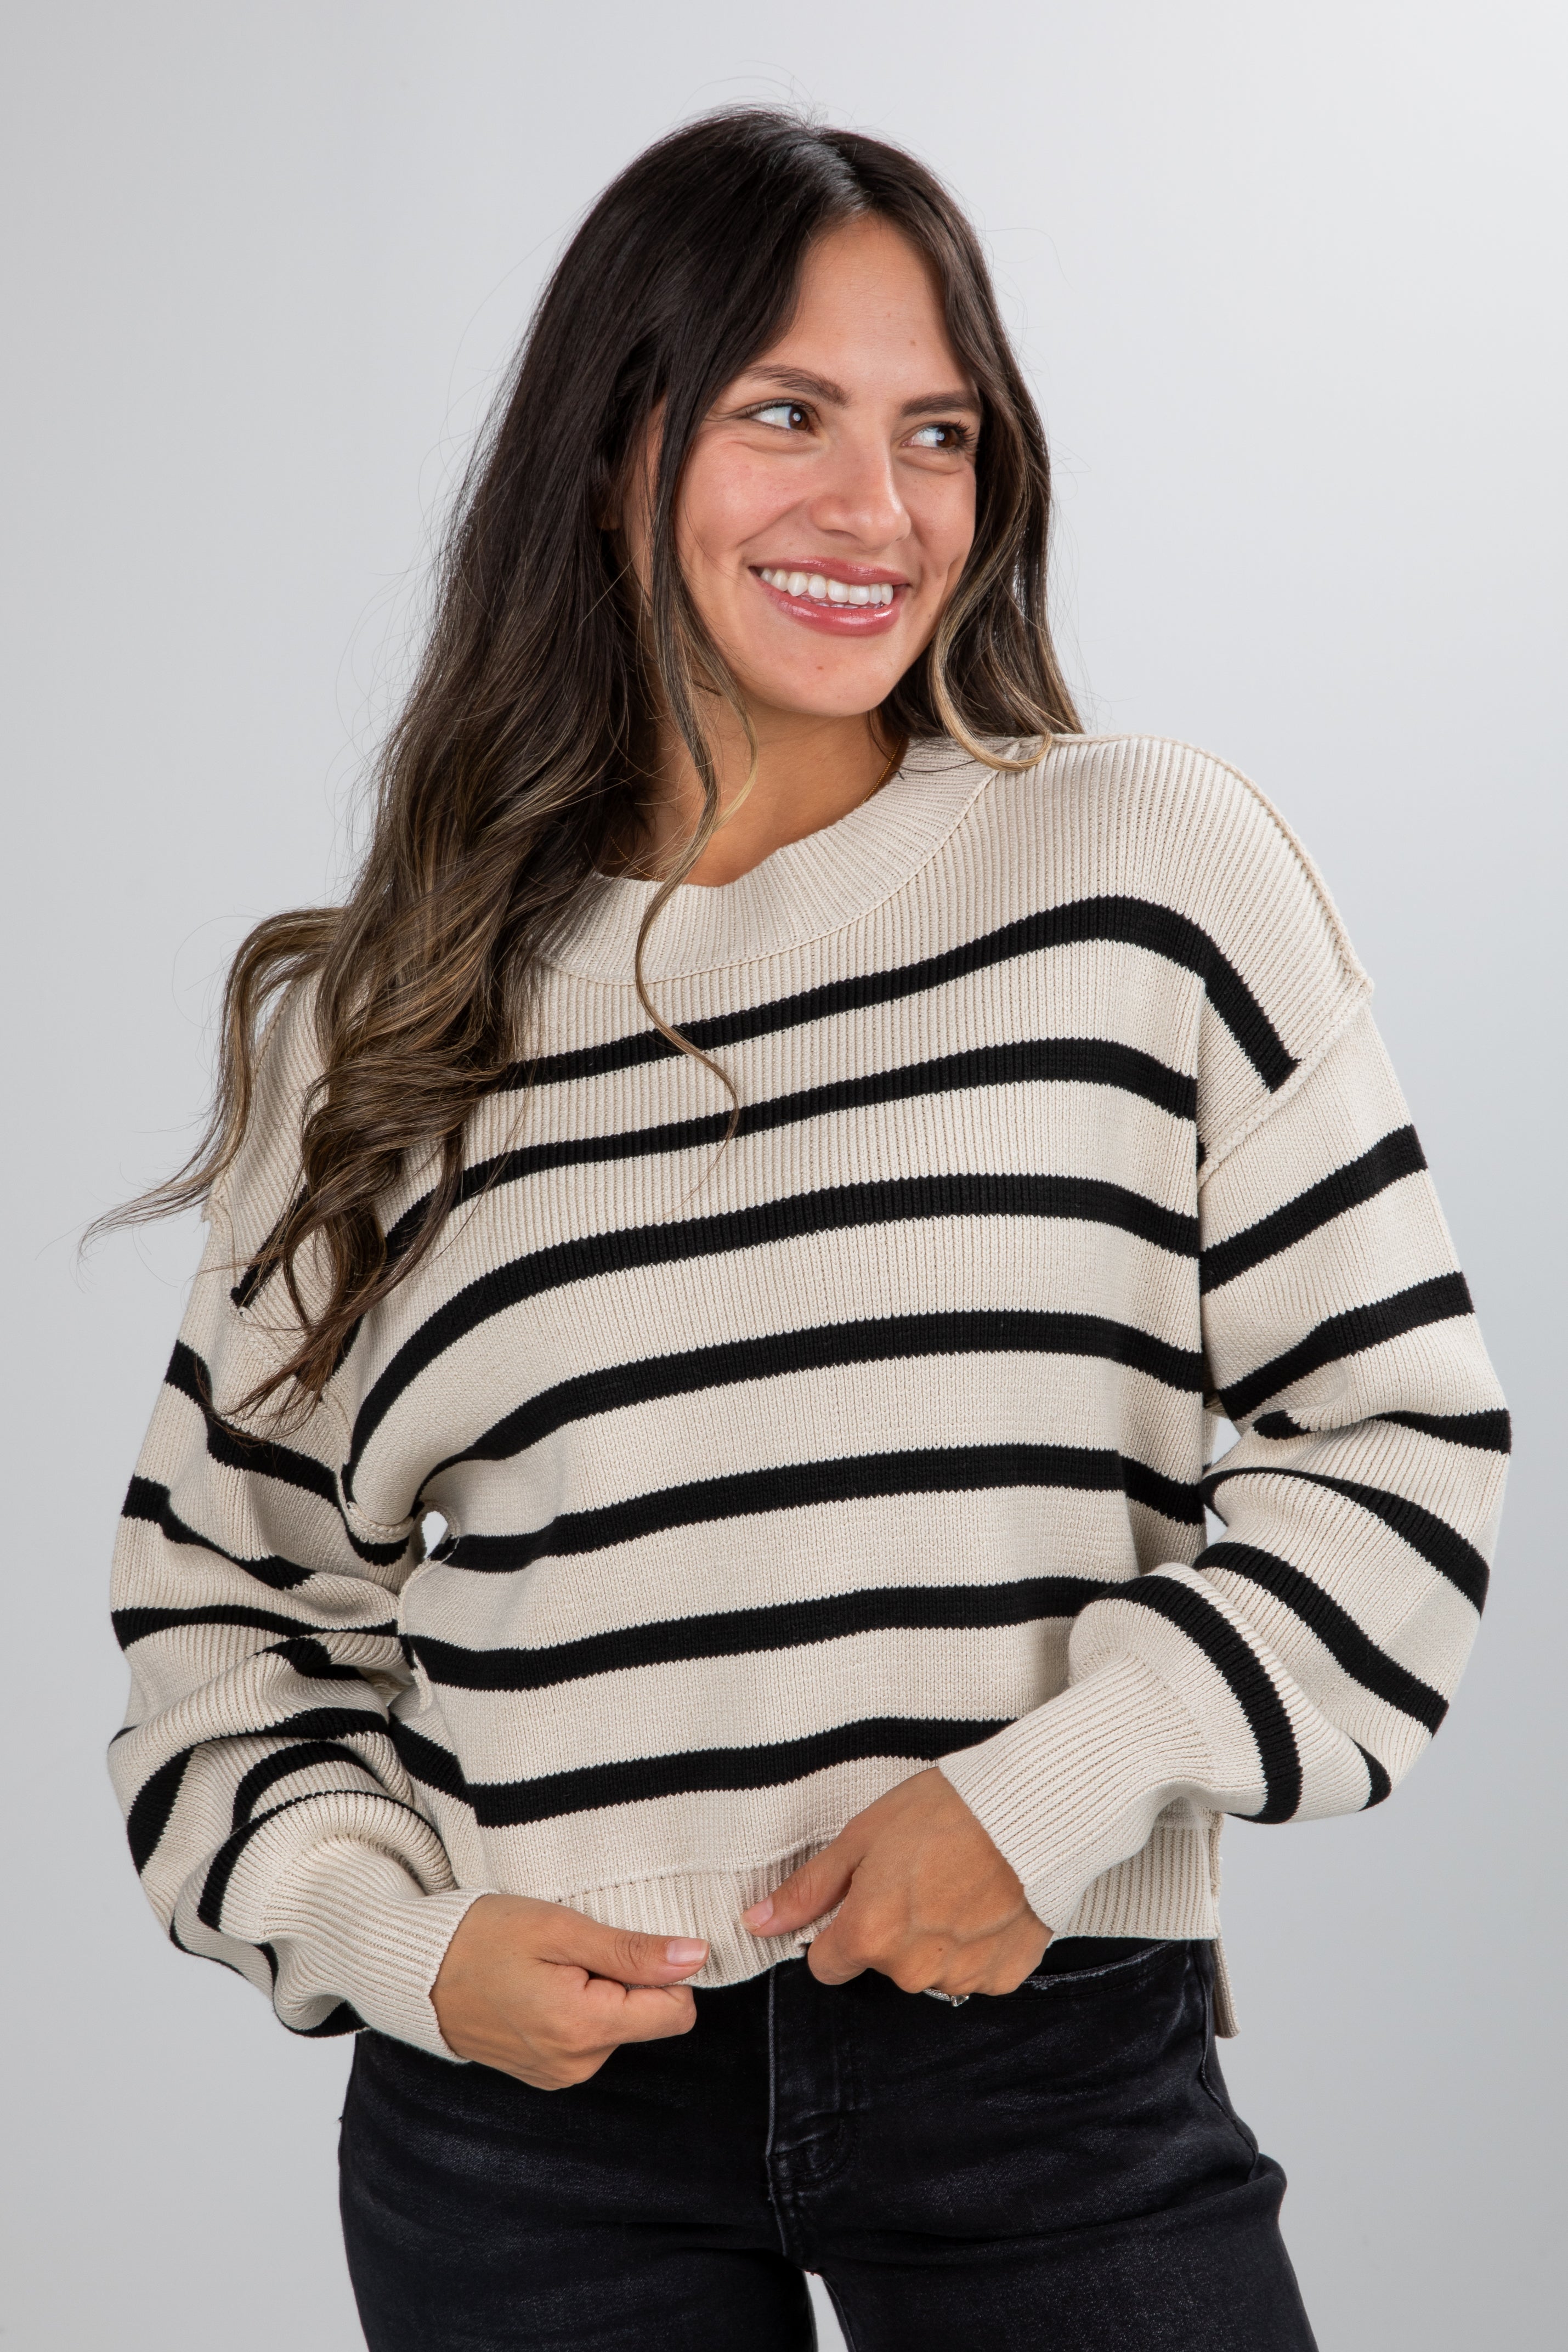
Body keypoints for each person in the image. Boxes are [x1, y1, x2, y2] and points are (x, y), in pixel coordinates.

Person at [105, 109, 1509, 2351]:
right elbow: (217, 1616)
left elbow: (1399, 1460)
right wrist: (400, 1942)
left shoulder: (1147, 873)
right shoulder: (381, 1022)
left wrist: (1046, 1797)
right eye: (787, 415)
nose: (878, 510)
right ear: (608, 452)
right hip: (530, 2130)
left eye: (935, 431)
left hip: (1039, 2051)